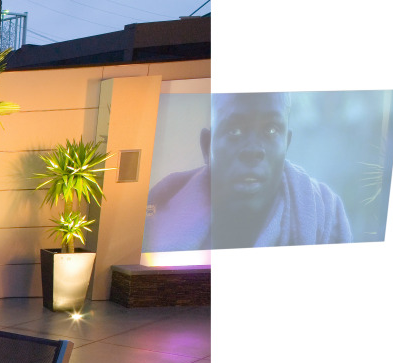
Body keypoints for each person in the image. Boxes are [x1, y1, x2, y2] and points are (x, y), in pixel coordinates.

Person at [144, 92, 352, 250]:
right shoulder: (162, 202)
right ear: (207, 146)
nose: (253, 150)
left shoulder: (325, 210)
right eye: (234, 130)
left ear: (286, 144)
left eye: (271, 130)